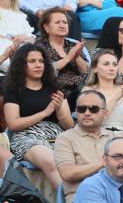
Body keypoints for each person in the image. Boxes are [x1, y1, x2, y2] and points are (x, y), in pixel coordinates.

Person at [54, 87, 123, 203]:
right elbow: (67, 173)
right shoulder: (65, 138)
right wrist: (102, 163)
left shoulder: (113, 137)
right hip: (83, 198)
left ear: (105, 113)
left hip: (119, 196)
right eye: (82, 109)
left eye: (93, 109)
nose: (87, 113)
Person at [3, 43, 73, 190]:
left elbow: (69, 125)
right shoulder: (14, 90)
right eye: (32, 61)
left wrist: (59, 110)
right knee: (50, 160)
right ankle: (70, 200)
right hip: (26, 137)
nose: (38, 65)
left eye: (41, 61)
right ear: (21, 65)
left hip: (57, 134)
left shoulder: (54, 88)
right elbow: (13, 124)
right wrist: (45, 113)